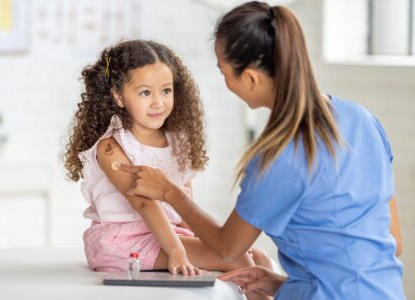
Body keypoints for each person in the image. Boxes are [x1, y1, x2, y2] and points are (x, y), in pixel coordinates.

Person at [116, 2, 405, 299]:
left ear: (252, 78)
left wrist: (169, 191)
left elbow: (227, 246)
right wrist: (288, 284)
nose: (226, 82)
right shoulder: (362, 119)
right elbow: (391, 241)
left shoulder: (278, 156)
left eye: (224, 72)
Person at [63, 39, 269, 300]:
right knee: (238, 258)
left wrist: (205, 242)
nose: (158, 102)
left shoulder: (177, 142)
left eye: (166, 91)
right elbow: (144, 205)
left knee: (257, 256)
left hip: (167, 235)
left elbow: (185, 205)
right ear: (118, 96)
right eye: (145, 93)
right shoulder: (111, 147)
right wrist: (176, 251)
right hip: (123, 239)